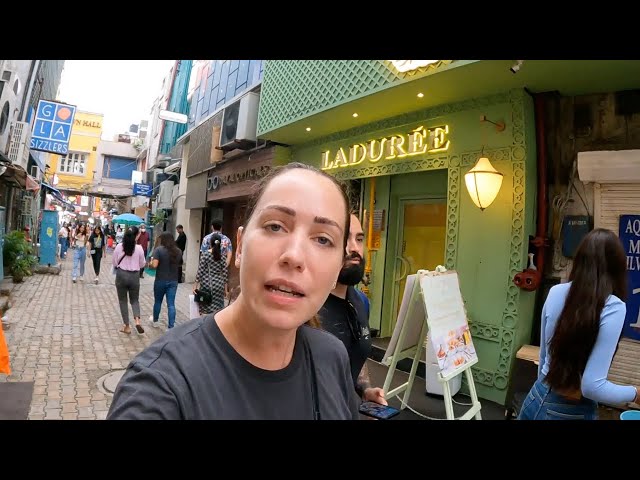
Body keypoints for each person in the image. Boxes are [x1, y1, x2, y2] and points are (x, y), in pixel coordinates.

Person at [107, 162, 359, 420]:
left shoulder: (332, 357)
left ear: (338, 270)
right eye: (275, 226)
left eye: (323, 239)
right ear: (239, 247)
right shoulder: (161, 385)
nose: (294, 255)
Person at [518, 228, 640, 420]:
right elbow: (592, 387)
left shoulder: (556, 292)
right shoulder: (614, 307)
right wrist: (636, 393)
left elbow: (543, 357)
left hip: (535, 397)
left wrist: (546, 396)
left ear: (580, 261)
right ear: (617, 268)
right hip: (568, 412)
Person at [318, 213, 386, 406]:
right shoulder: (308, 307)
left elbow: (356, 353)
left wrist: (365, 390)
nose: (354, 248)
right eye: (345, 238)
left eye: (359, 239)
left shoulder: (361, 301)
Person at [112, 226, 147, 335]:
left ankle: (126, 326)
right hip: (134, 276)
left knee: (123, 301)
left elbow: (114, 262)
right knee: (135, 300)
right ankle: (137, 321)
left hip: (121, 275)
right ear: (137, 235)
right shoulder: (139, 248)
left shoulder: (119, 247)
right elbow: (142, 264)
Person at [148, 232, 182, 329]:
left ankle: (155, 320)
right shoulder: (178, 251)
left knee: (158, 301)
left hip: (160, 280)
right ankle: (171, 326)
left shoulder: (159, 250)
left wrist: (150, 263)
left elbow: (154, 265)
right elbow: (179, 264)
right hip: (173, 281)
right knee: (171, 304)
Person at [194, 233, 228, 316]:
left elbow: (200, 271)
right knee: (218, 311)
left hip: (207, 285)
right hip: (219, 286)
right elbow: (225, 274)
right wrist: (226, 290)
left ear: (210, 243)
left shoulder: (205, 255)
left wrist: (195, 286)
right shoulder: (222, 257)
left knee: (205, 310)